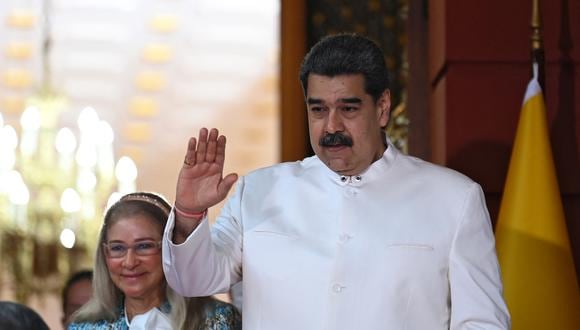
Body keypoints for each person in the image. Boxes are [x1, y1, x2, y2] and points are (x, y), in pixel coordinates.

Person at [162, 33, 511, 329]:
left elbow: (481, 322)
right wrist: (190, 214)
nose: (331, 127)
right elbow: (193, 280)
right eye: (318, 110)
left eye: (348, 109)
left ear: (383, 108)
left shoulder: (454, 198)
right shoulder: (259, 191)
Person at [68, 192, 241, 329]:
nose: (129, 262)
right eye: (117, 248)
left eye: (144, 246)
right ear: (104, 255)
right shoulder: (85, 326)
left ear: (169, 248)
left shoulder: (218, 320)